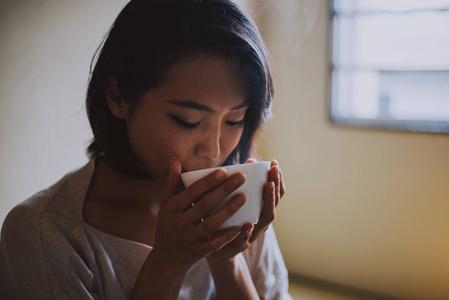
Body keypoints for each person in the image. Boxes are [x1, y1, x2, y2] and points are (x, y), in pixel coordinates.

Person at [0, 0, 291, 299]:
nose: (214, 150)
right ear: (118, 98)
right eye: (187, 121)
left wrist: (227, 258)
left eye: (234, 120)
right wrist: (167, 264)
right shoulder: (43, 232)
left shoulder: (237, 203)